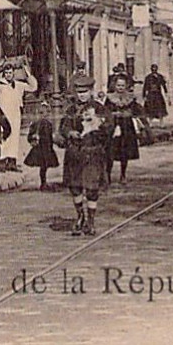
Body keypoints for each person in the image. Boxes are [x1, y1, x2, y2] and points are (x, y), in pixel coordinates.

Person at [56, 71, 111, 236]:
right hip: (74, 153)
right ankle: (80, 216)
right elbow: (63, 127)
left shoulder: (100, 108)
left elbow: (109, 127)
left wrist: (97, 127)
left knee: (92, 189)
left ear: (90, 92)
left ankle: (91, 221)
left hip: (93, 152)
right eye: (79, 92)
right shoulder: (71, 110)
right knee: (75, 187)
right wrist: (69, 133)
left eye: (85, 92)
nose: (82, 96)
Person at [0, 58, 37, 170]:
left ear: (13, 73)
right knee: (4, 137)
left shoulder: (19, 85)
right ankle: (1, 162)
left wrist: (27, 73)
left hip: (15, 114)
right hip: (3, 115)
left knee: (14, 138)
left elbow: (33, 87)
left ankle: (12, 163)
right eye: (6, 73)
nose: (8, 75)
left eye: (10, 73)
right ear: (3, 74)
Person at [106, 74, 142, 185]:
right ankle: (108, 175)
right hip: (114, 126)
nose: (120, 87)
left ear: (126, 86)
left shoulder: (130, 98)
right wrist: (113, 115)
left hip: (126, 127)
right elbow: (105, 111)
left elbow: (137, 111)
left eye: (122, 85)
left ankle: (123, 174)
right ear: (114, 86)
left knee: (124, 152)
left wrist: (132, 114)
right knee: (110, 151)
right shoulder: (110, 98)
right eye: (118, 85)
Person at [23, 100, 59, 191]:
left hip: (47, 148)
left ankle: (44, 182)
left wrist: (54, 141)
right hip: (40, 149)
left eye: (46, 112)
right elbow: (30, 136)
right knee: (43, 166)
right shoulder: (35, 124)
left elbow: (50, 137)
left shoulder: (49, 124)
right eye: (41, 112)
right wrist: (33, 138)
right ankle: (43, 183)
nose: (44, 115)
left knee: (45, 166)